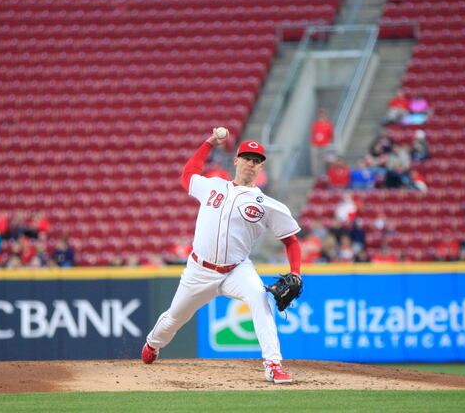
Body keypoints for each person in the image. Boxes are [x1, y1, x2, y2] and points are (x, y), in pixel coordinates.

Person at [142, 129, 303, 384]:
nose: (251, 163)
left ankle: (273, 364)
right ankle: (153, 343)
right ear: (236, 161)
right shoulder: (212, 186)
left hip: (236, 270)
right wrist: (208, 143)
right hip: (199, 270)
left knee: (261, 300)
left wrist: (295, 272)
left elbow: (291, 241)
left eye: (256, 160)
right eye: (247, 158)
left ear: (261, 166)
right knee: (176, 317)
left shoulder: (268, 204)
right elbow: (187, 175)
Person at [310, 108, 334, 175]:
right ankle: (315, 174)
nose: (321, 117)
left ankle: (323, 174)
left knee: (324, 160)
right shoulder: (315, 125)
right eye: (320, 116)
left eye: (322, 116)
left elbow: (331, 135)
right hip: (316, 145)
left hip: (325, 145)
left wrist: (329, 144)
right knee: (315, 161)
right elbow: (313, 134)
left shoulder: (328, 125)